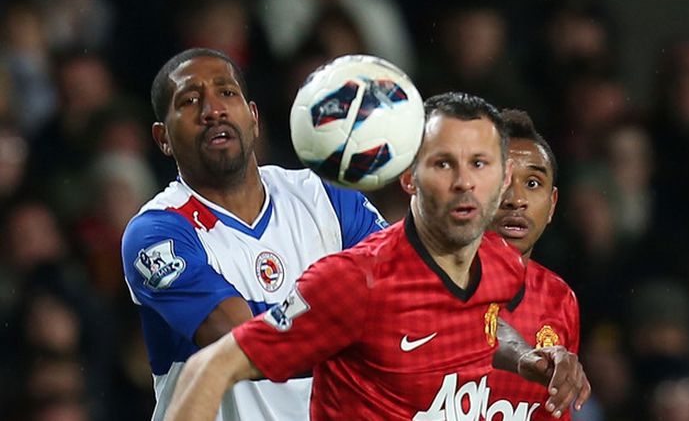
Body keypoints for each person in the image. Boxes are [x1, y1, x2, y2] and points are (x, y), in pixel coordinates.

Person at [164, 93, 590, 420]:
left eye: (479, 164)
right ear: (409, 177)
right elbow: (211, 368)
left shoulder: (503, 266)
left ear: (501, 177)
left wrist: (526, 357)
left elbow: (481, 321)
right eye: (443, 164)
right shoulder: (356, 281)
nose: (464, 182)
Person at [121, 48, 388, 421]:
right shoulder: (156, 232)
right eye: (190, 100)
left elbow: (399, 293)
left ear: (254, 117)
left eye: (226, 92)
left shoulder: (325, 196)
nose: (213, 110)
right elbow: (241, 340)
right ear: (163, 138)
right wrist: (351, 312)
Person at [487, 109, 580, 420]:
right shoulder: (426, 278)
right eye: (501, 180)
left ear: (552, 205)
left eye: (532, 183)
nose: (516, 199)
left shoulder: (560, 300)